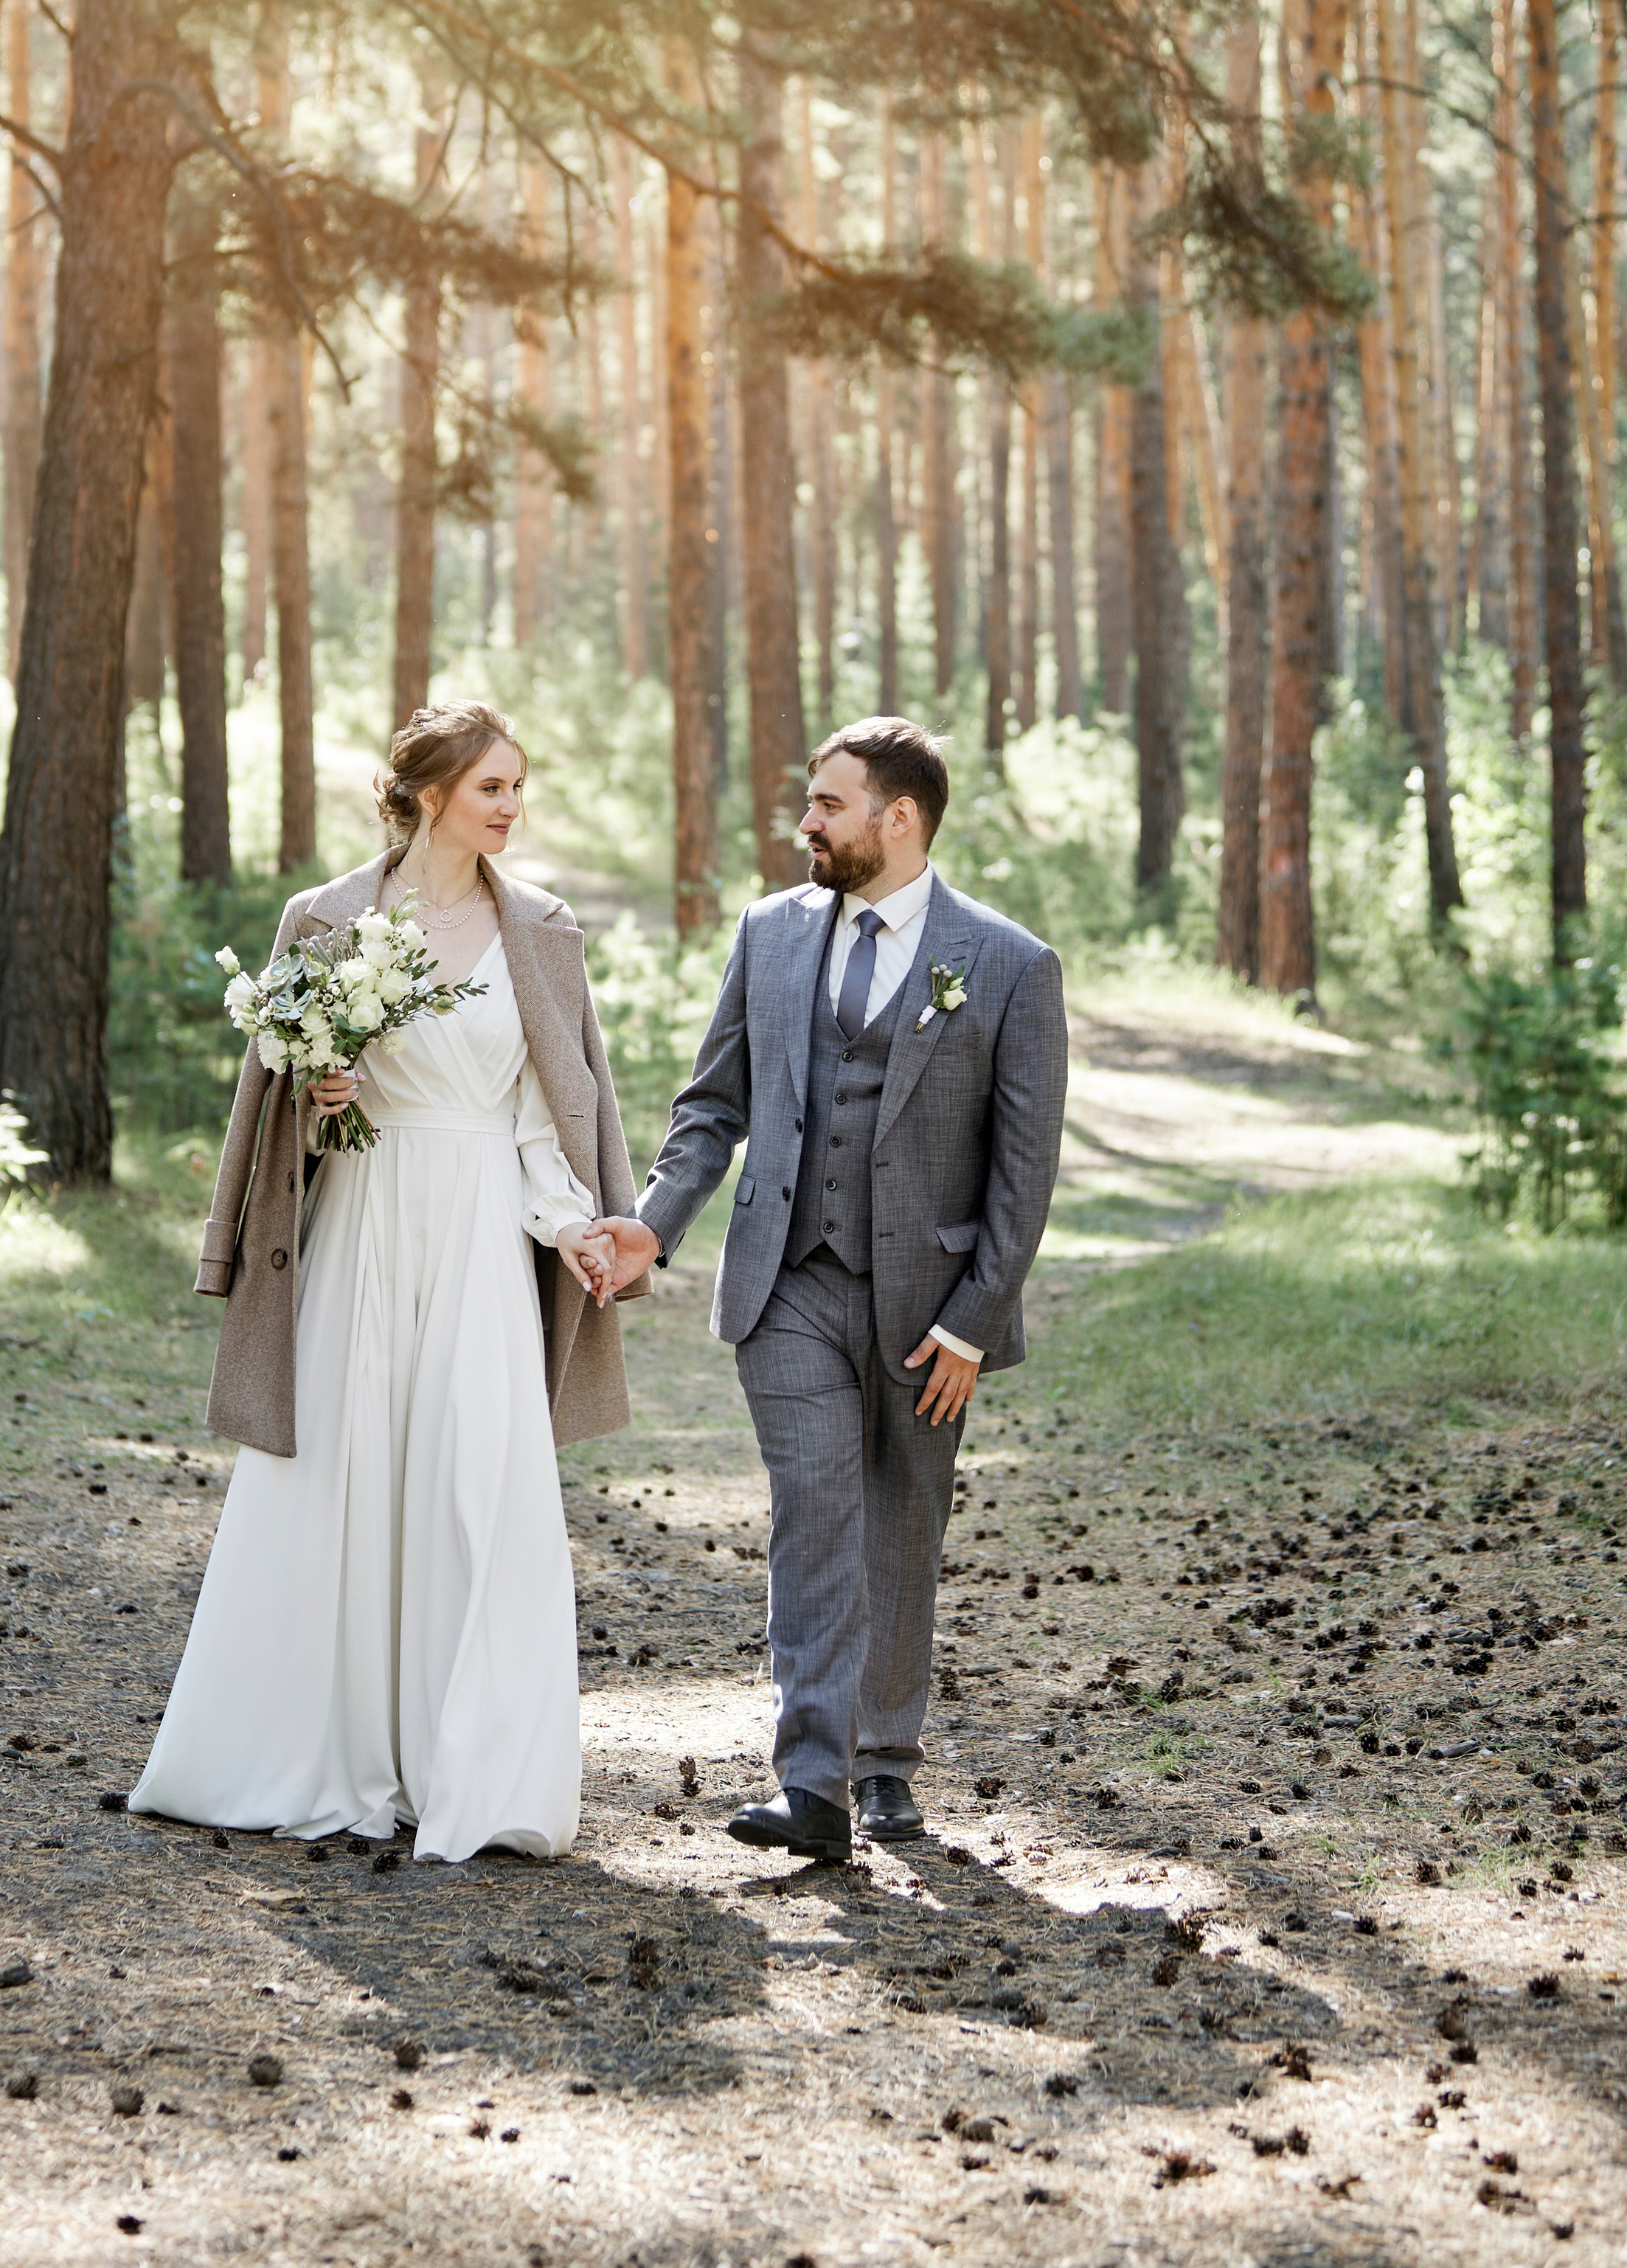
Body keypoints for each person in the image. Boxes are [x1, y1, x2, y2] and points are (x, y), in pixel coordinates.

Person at [128, 701, 647, 1862]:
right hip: (362, 1223)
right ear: (428, 794)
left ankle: (476, 1772)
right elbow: (278, 1118)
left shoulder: (544, 930)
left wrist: (574, 1226)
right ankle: (319, 1748)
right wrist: (324, 1099)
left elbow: (548, 1115)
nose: (512, 806)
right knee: (343, 1476)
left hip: (481, 1239)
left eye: (518, 786)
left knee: (481, 1487)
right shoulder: (326, 918)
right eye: (492, 786)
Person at [587, 718, 1065, 1865]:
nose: (805, 823)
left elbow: (1024, 1171)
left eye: (829, 805)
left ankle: (884, 1758)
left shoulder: (1008, 964)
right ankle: (812, 1784)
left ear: (898, 820)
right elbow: (713, 1105)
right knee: (817, 1512)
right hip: (788, 1280)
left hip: (930, 1308)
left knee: (903, 1520)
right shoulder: (771, 933)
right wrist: (655, 1221)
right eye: (809, 802)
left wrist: (972, 1324)